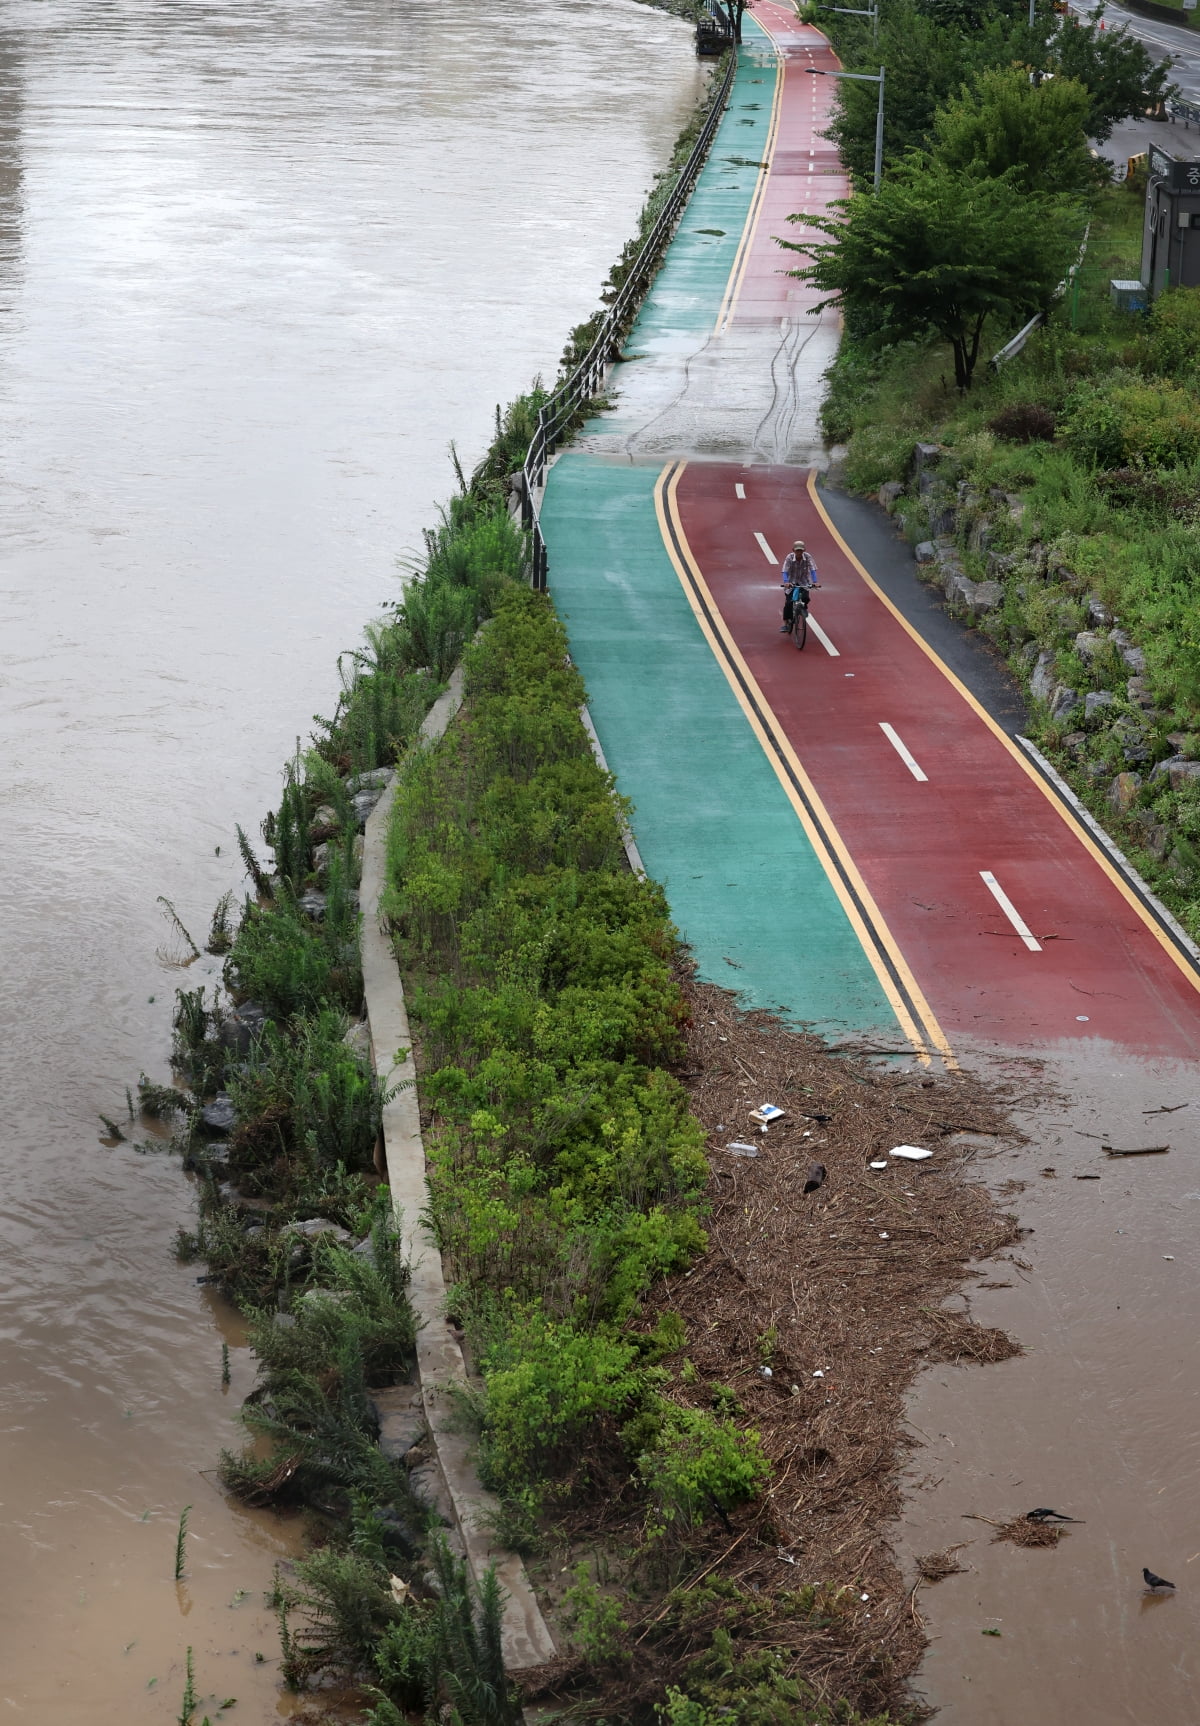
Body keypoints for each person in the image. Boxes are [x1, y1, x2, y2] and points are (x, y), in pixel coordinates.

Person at [779, 540, 818, 632]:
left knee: (806, 598)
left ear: (804, 550)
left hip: (803, 582)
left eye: (801, 550)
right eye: (797, 550)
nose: (799, 552)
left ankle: (802, 609)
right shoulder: (789, 557)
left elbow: (813, 569)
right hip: (791, 583)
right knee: (788, 603)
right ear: (793, 550)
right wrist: (786, 582)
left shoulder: (808, 557)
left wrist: (815, 581)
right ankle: (785, 623)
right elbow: (785, 571)